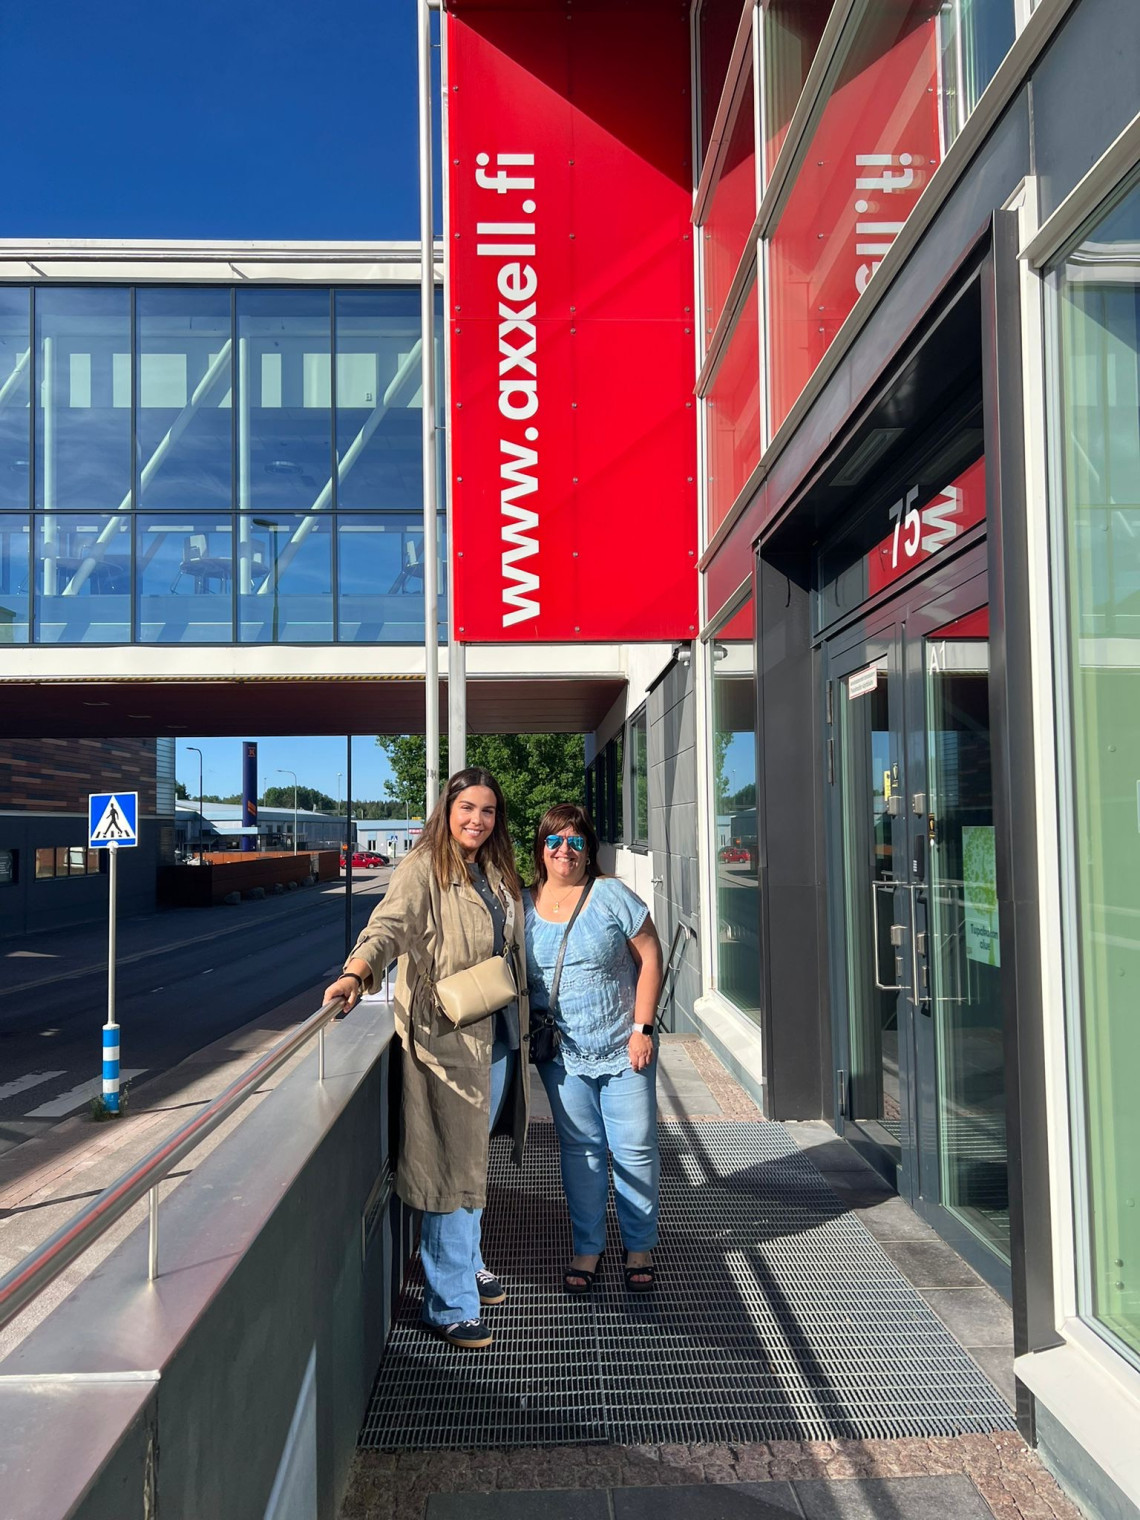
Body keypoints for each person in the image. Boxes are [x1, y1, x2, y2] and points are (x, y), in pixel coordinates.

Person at [323, 767, 528, 1350]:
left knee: (471, 1158)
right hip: (446, 1040)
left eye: (487, 810)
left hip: (497, 1033)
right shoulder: (423, 868)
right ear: (447, 810)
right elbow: (387, 928)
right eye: (467, 808)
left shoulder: (494, 868)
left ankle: (468, 1262)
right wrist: (357, 973)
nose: (477, 820)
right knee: (448, 1167)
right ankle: (450, 1304)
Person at [524, 803, 663, 1294]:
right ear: (541, 849)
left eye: (576, 842)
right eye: (554, 841)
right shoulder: (521, 907)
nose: (565, 850)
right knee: (580, 1152)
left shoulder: (609, 895)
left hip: (625, 1049)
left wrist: (642, 1028)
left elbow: (651, 955)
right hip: (562, 1057)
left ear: (589, 850)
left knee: (634, 1149)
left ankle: (639, 1245)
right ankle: (588, 1247)